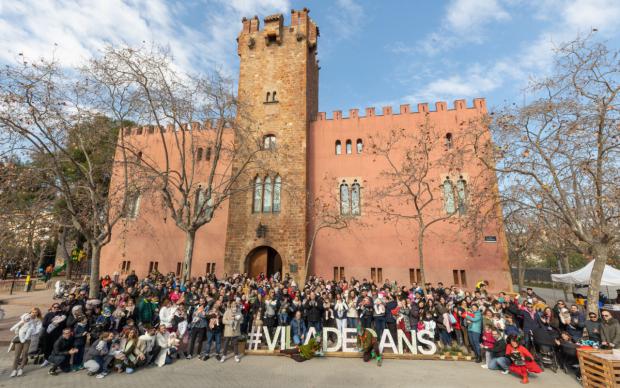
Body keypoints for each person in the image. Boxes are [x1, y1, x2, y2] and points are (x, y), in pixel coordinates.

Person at [9, 307, 43, 377]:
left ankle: (21, 369)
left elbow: (36, 331)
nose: (34, 313)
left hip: (28, 339)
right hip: (19, 338)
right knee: (17, 355)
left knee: (25, 354)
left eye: (36, 312)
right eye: (33, 312)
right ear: (31, 312)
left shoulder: (38, 321)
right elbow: (17, 327)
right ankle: (14, 370)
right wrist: (22, 324)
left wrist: (31, 327)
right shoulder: (25, 317)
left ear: (38, 313)